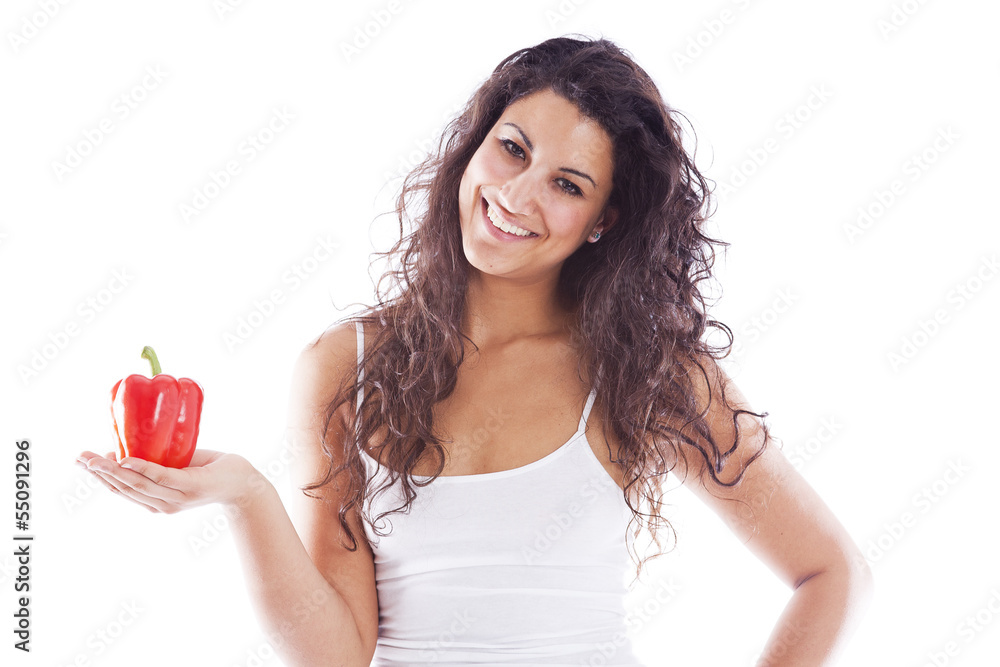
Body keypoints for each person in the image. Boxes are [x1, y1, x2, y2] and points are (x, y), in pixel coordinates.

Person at [76, 34, 873, 666]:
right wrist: (246, 496)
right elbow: (335, 653)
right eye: (513, 149)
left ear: (604, 220)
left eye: (567, 184)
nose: (517, 196)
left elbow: (831, 573)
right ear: (475, 143)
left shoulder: (646, 373)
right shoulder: (345, 366)